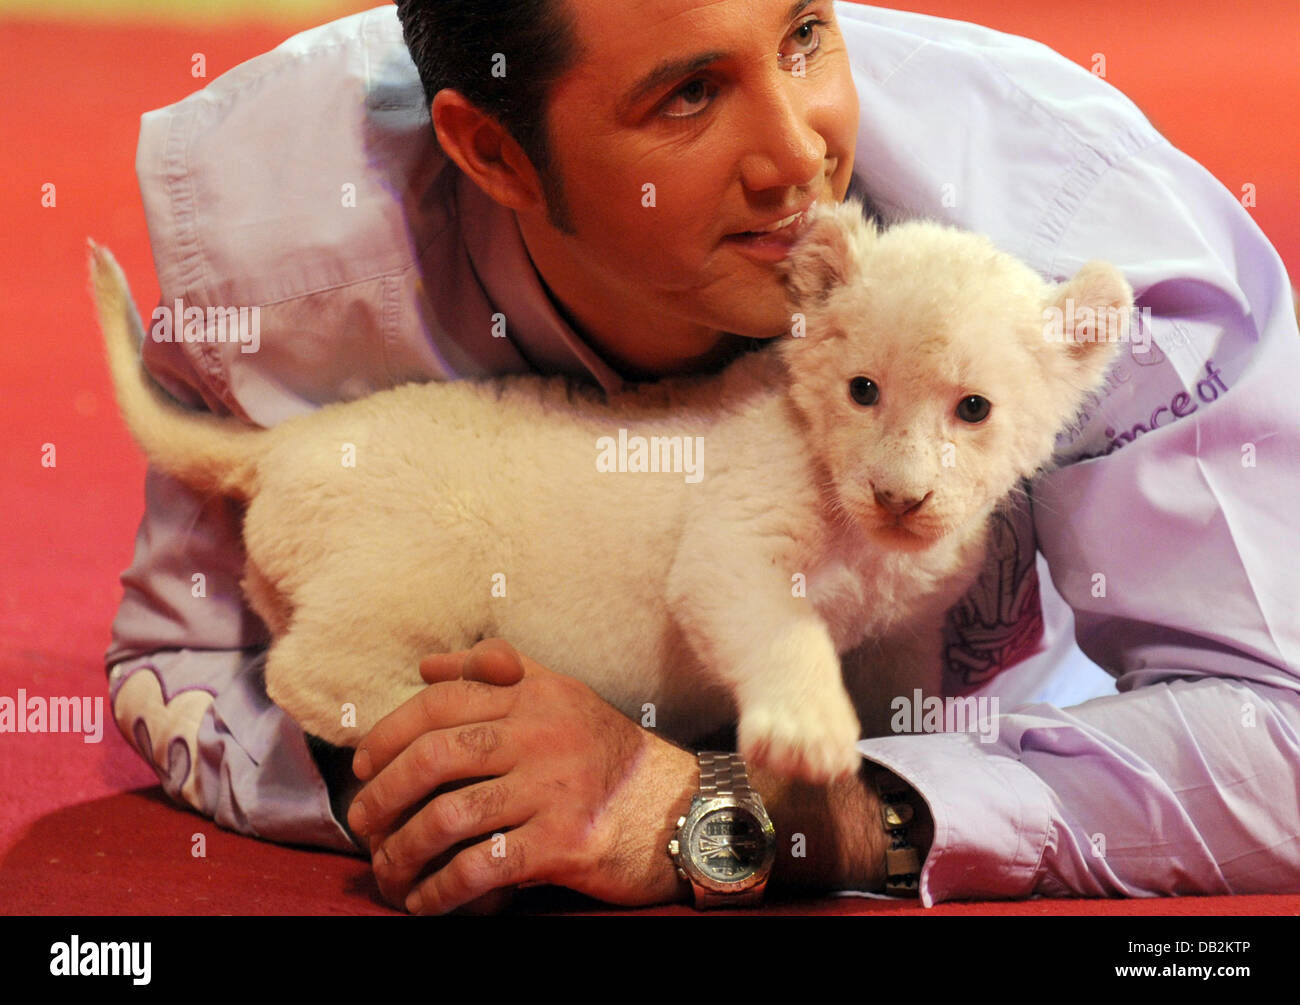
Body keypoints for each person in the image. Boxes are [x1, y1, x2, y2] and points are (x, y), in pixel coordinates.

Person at [105, 0, 1300, 914]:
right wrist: (453, 779)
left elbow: (1282, 742)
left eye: (802, 34)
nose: (799, 159)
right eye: (687, 95)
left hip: (966, 715)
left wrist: (741, 814)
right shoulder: (277, 255)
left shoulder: (1089, 244)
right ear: (495, 157)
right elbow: (182, 661)